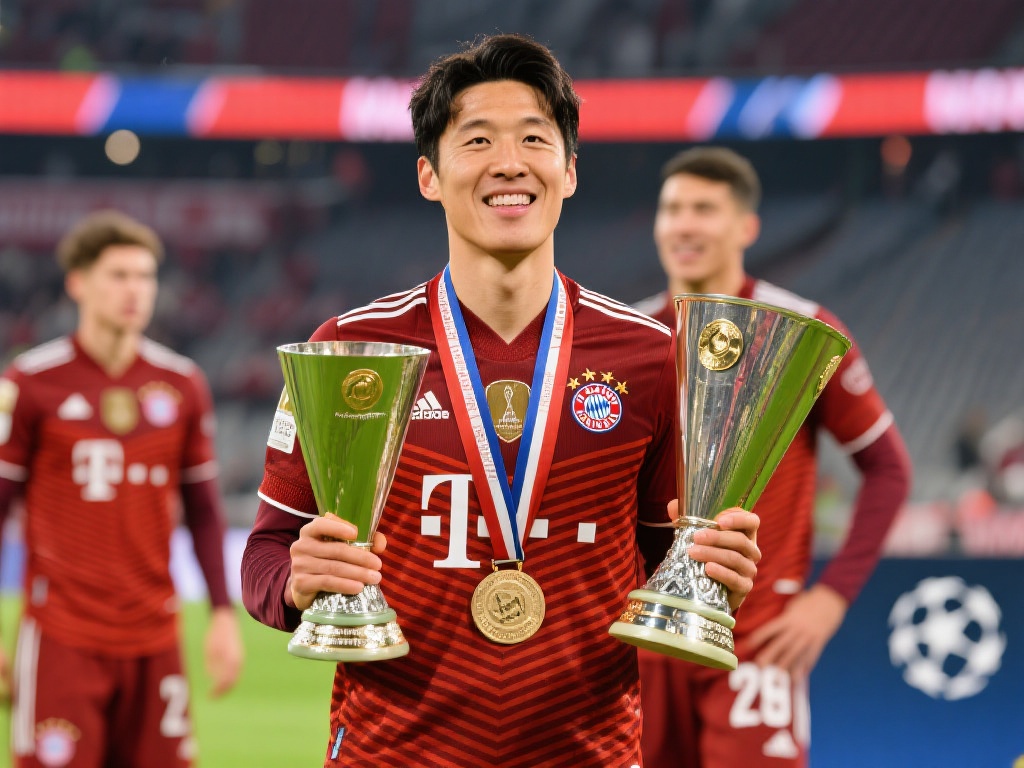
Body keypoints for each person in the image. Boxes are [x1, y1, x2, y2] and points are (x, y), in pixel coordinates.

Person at [241, 34, 761, 768]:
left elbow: (667, 560)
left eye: (534, 138)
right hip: (393, 755)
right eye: (478, 139)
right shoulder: (350, 349)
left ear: (569, 170)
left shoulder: (651, 356)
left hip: (588, 755)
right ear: (429, 175)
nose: (509, 162)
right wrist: (296, 584)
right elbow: (264, 552)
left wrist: (717, 574)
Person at [634, 147, 912, 768]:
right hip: (641, 637)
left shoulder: (803, 331)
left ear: (747, 226)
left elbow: (889, 469)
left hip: (755, 638)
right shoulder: (631, 337)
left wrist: (830, 598)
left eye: (704, 209)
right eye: (672, 209)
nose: (684, 225)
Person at [0, 210, 244, 767]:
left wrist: (222, 614)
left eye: (145, 276)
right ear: (78, 283)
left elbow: (204, 512)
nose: (135, 290)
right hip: (62, 634)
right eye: (118, 275)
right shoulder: (31, 383)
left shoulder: (182, 385)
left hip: (154, 634)